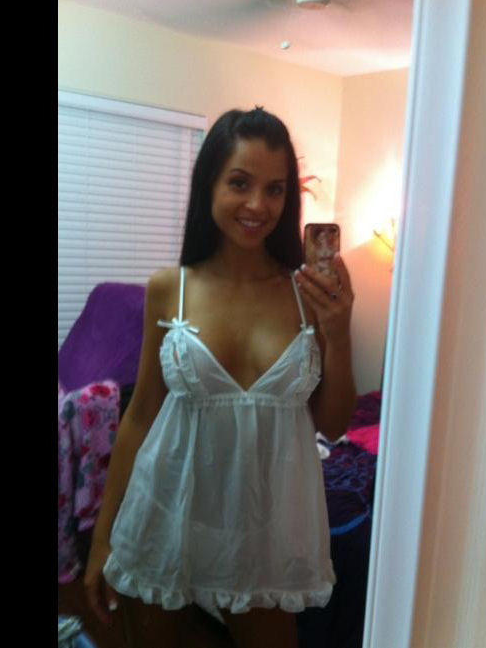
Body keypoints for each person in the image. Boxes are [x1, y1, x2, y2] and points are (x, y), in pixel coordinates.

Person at [83, 107, 357, 648]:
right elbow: (141, 417)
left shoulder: (305, 294)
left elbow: (333, 424)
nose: (258, 205)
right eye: (239, 183)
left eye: (275, 189)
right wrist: (101, 539)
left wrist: (340, 333)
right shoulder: (170, 288)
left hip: (262, 533)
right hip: (164, 513)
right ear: (208, 183)